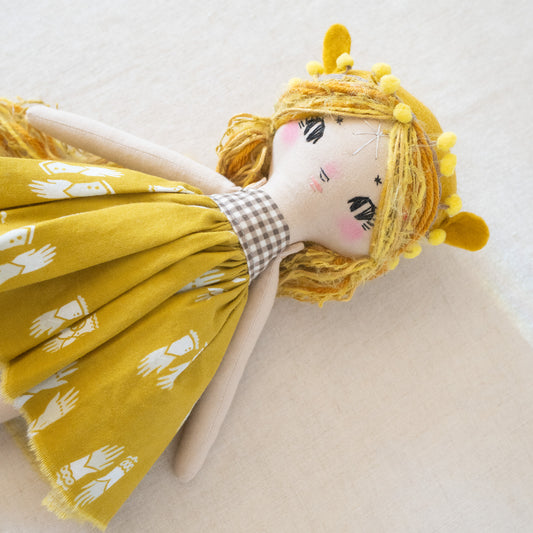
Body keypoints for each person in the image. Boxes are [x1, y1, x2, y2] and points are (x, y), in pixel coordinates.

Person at [0, 24, 488, 530]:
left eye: (362, 210)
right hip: (148, 228)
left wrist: (197, 441)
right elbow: (140, 155)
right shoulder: (214, 197)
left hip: (191, 312)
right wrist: (46, 122)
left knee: (104, 362)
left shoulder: (265, 278)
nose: (326, 174)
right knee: (70, 255)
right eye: (317, 131)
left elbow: (235, 359)